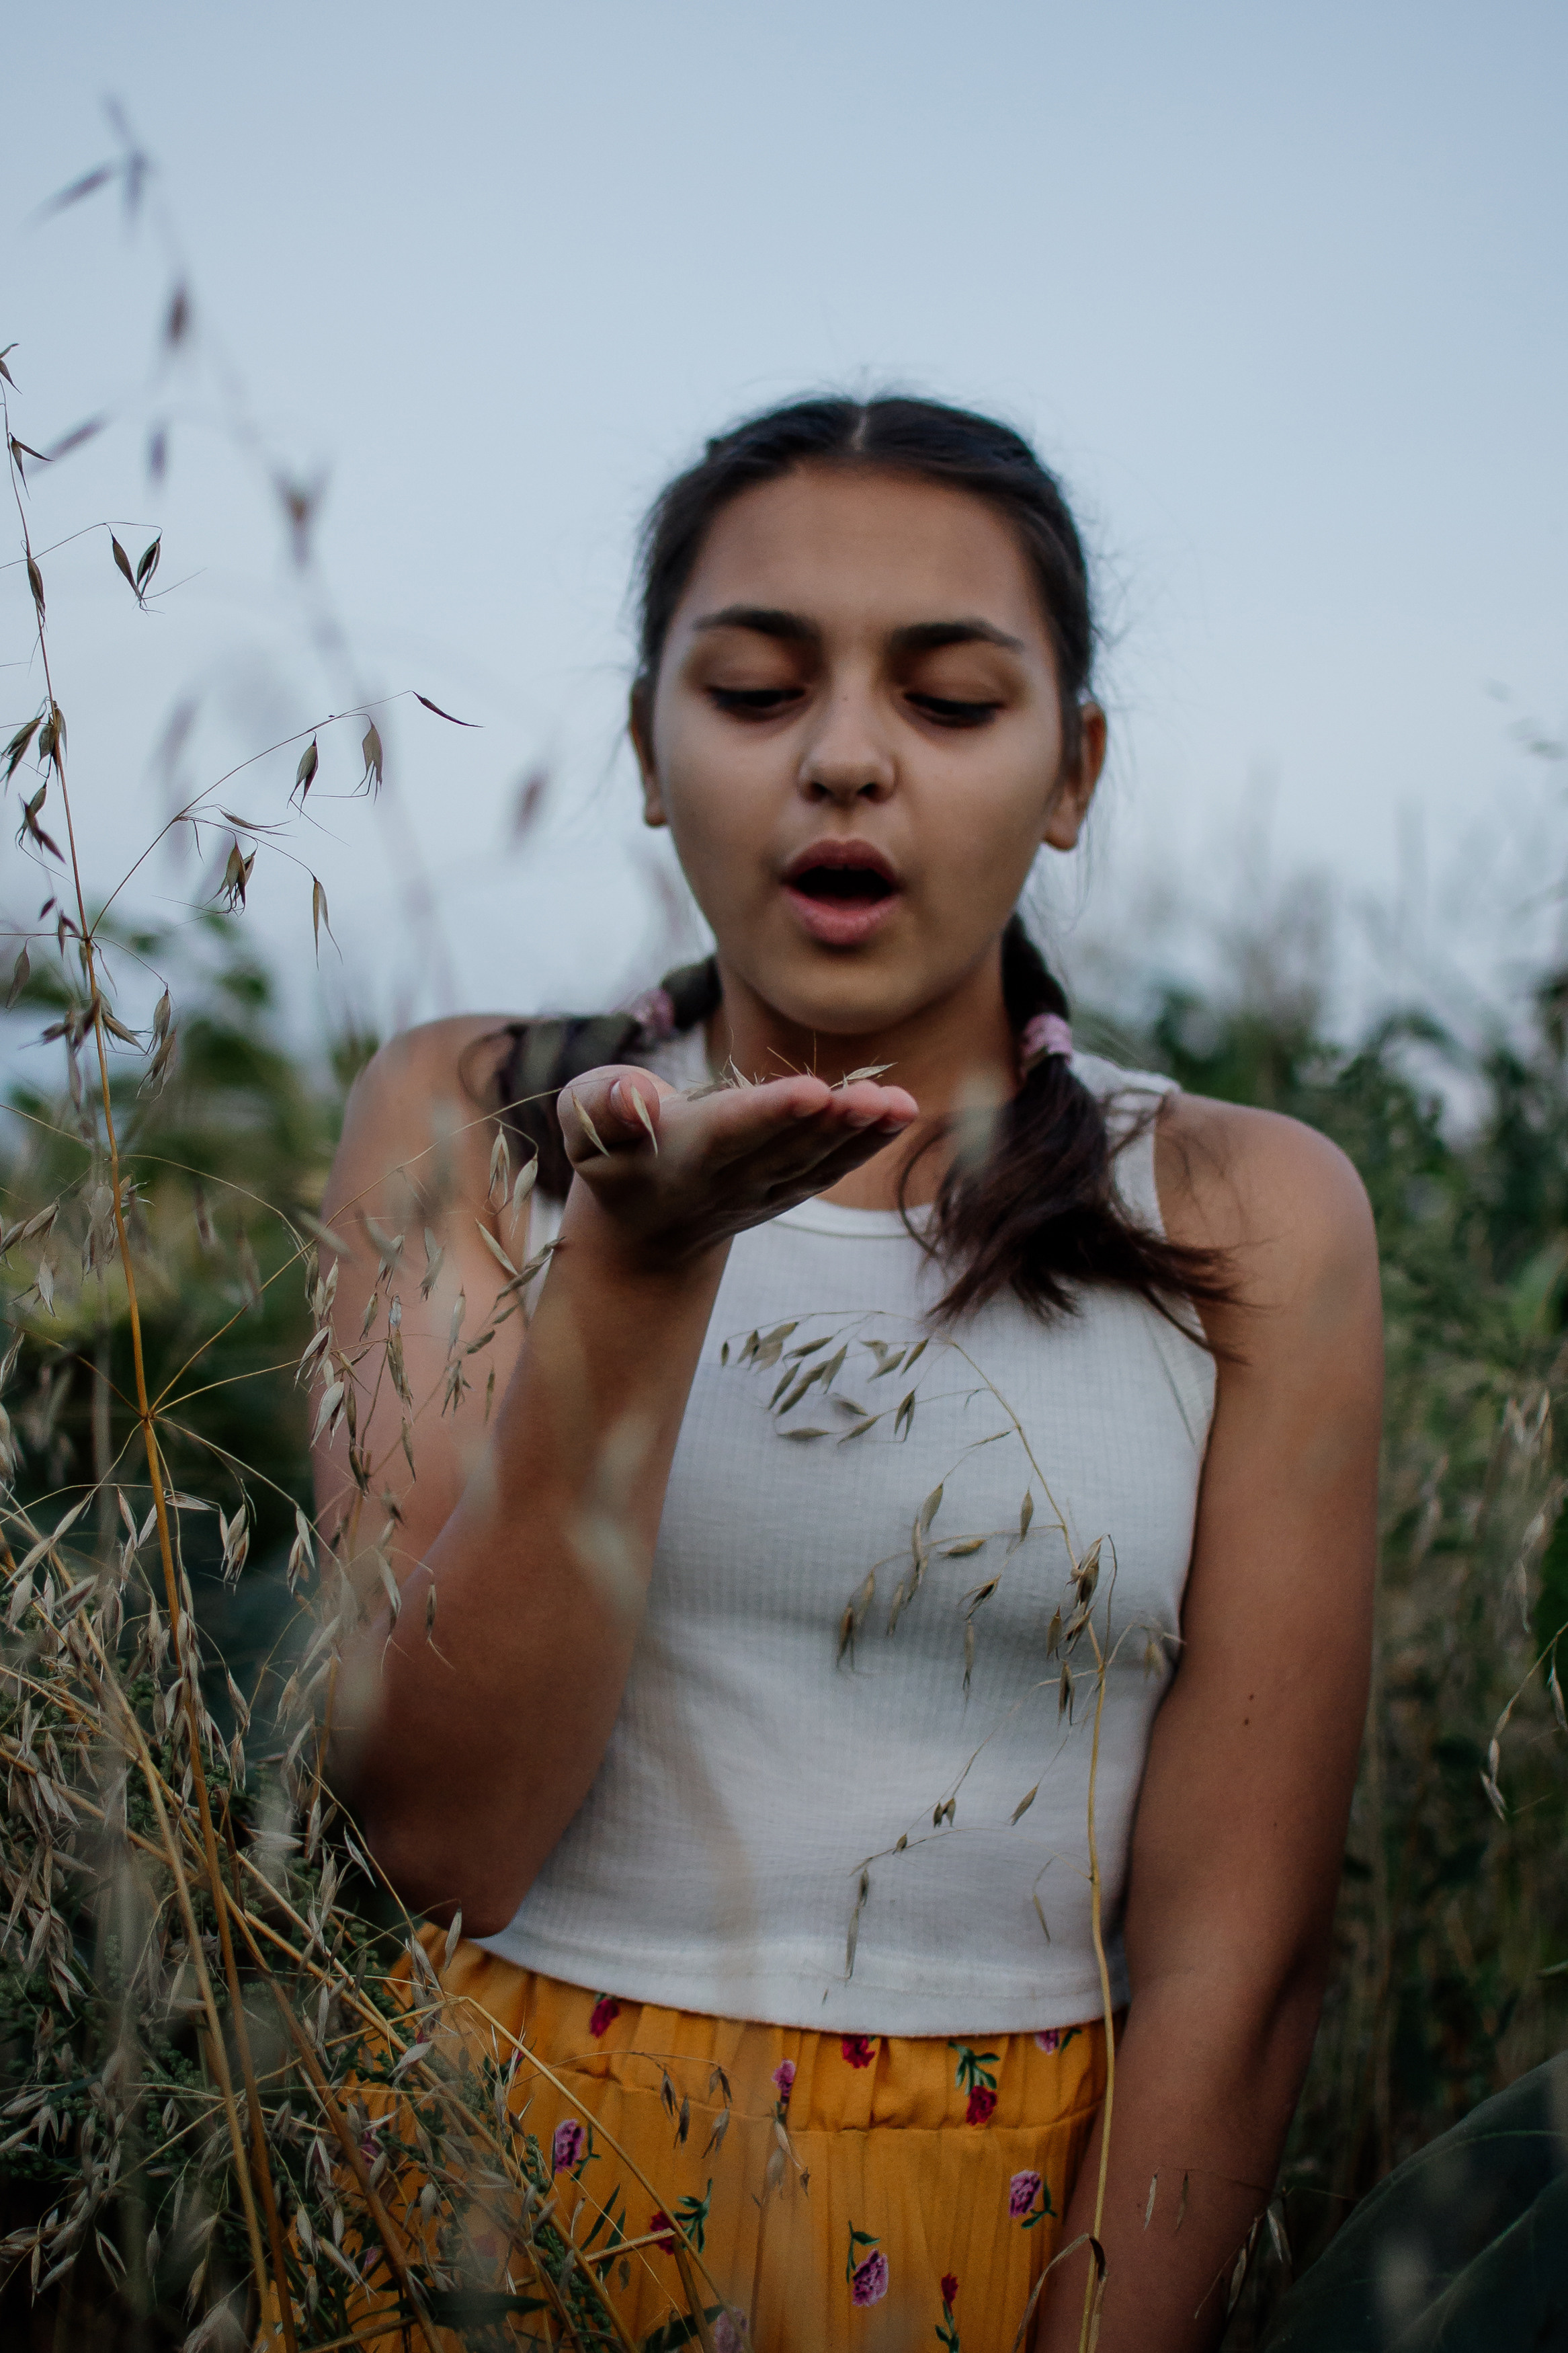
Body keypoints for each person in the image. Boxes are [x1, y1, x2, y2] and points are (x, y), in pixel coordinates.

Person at [318, 396, 1382, 2352]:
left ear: (1076, 773)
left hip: (1010, 2216)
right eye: (751, 684)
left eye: (957, 701)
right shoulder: (464, 1120)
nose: (845, 759)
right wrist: (637, 1278)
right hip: (497, 2188)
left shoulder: (1251, 1212)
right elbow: (436, 1840)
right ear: (647, 746)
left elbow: (1242, 1953)